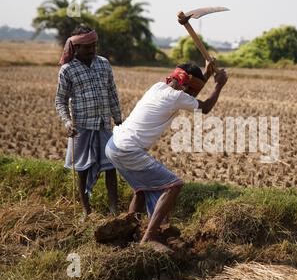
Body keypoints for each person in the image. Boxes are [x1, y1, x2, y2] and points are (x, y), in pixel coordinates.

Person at [105, 61, 228, 248]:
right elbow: (204, 107)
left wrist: (206, 74)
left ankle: (128, 231)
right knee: (174, 185)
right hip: (128, 149)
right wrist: (218, 85)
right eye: (191, 90)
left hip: (113, 145)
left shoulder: (159, 87)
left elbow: (189, 92)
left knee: (141, 191)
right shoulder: (176, 97)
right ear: (185, 86)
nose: (191, 94)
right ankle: (149, 238)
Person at [55, 25, 122, 219]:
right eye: (87, 47)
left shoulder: (103, 64)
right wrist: (67, 122)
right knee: (82, 169)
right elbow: (60, 100)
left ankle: (113, 209)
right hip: (81, 127)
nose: (92, 50)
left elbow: (112, 93)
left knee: (111, 167)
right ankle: (86, 209)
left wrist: (118, 119)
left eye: (94, 45)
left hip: (104, 124)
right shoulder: (67, 70)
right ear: (76, 48)